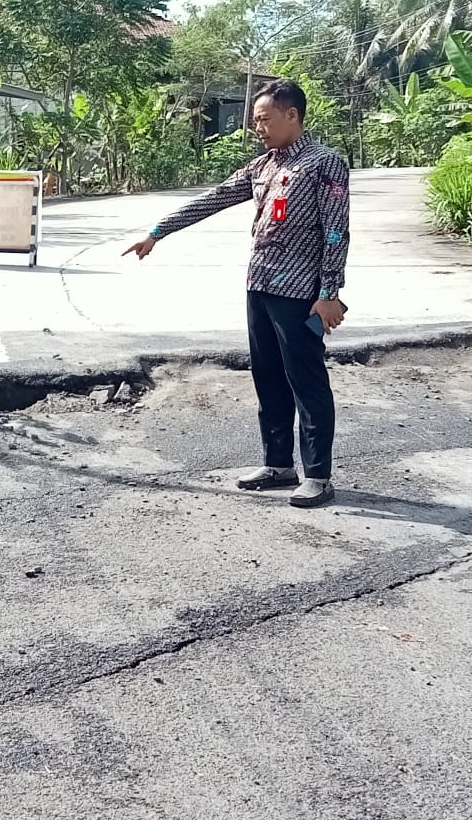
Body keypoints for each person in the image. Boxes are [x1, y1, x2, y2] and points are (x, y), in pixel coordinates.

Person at [124, 79, 350, 509]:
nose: (257, 128)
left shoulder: (325, 165)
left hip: (302, 291)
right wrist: (158, 232)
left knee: (307, 382)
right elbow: (213, 198)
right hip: (260, 284)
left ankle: (318, 476)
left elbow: (336, 233)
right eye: (255, 122)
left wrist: (329, 293)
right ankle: (278, 464)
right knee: (267, 377)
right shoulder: (262, 167)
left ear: (292, 115)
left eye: (264, 119)